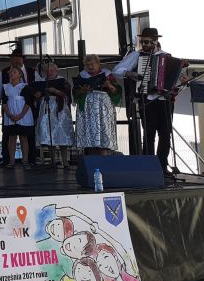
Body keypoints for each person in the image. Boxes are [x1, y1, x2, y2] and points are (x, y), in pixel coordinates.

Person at [112, 27, 186, 173]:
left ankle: (162, 165)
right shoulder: (137, 55)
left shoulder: (167, 57)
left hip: (164, 101)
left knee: (165, 134)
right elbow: (116, 70)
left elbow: (177, 78)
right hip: (147, 100)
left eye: (148, 42)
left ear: (155, 41)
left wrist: (182, 80)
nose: (145, 45)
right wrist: (130, 73)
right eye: (143, 42)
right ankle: (149, 165)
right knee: (149, 134)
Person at [0, 49, 43, 166]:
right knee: (8, 136)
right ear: (11, 59)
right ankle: (7, 160)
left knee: (28, 136)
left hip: (27, 110)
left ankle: (30, 159)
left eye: (19, 58)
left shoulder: (32, 72)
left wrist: (39, 96)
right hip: (9, 110)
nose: (16, 60)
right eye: (14, 58)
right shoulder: (4, 73)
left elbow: (40, 87)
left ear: (23, 59)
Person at [74, 54, 121, 156]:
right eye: (87, 65)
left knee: (103, 133)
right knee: (90, 136)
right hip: (87, 107)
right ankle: (92, 161)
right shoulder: (82, 75)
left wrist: (109, 85)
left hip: (103, 107)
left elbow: (116, 91)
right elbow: (75, 92)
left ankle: (104, 160)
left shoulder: (107, 74)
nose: (90, 67)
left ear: (98, 63)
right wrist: (82, 90)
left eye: (92, 64)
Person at [31, 62, 74, 169]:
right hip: (46, 107)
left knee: (62, 133)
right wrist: (37, 95)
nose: (49, 73)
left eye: (51, 70)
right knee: (50, 134)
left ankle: (65, 161)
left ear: (56, 70)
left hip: (60, 109)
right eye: (47, 71)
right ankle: (53, 161)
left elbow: (68, 95)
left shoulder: (62, 80)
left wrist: (55, 91)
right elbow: (36, 96)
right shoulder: (42, 81)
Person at [1, 68, 33, 168]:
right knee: (11, 138)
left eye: (14, 72)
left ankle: (25, 160)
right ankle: (11, 161)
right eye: (10, 72)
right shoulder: (5, 87)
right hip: (10, 114)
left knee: (23, 137)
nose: (12, 74)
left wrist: (21, 115)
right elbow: (4, 102)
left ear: (20, 75)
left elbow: (28, 102)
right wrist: (9, 114)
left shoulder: (24, 87)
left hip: (22, 114)